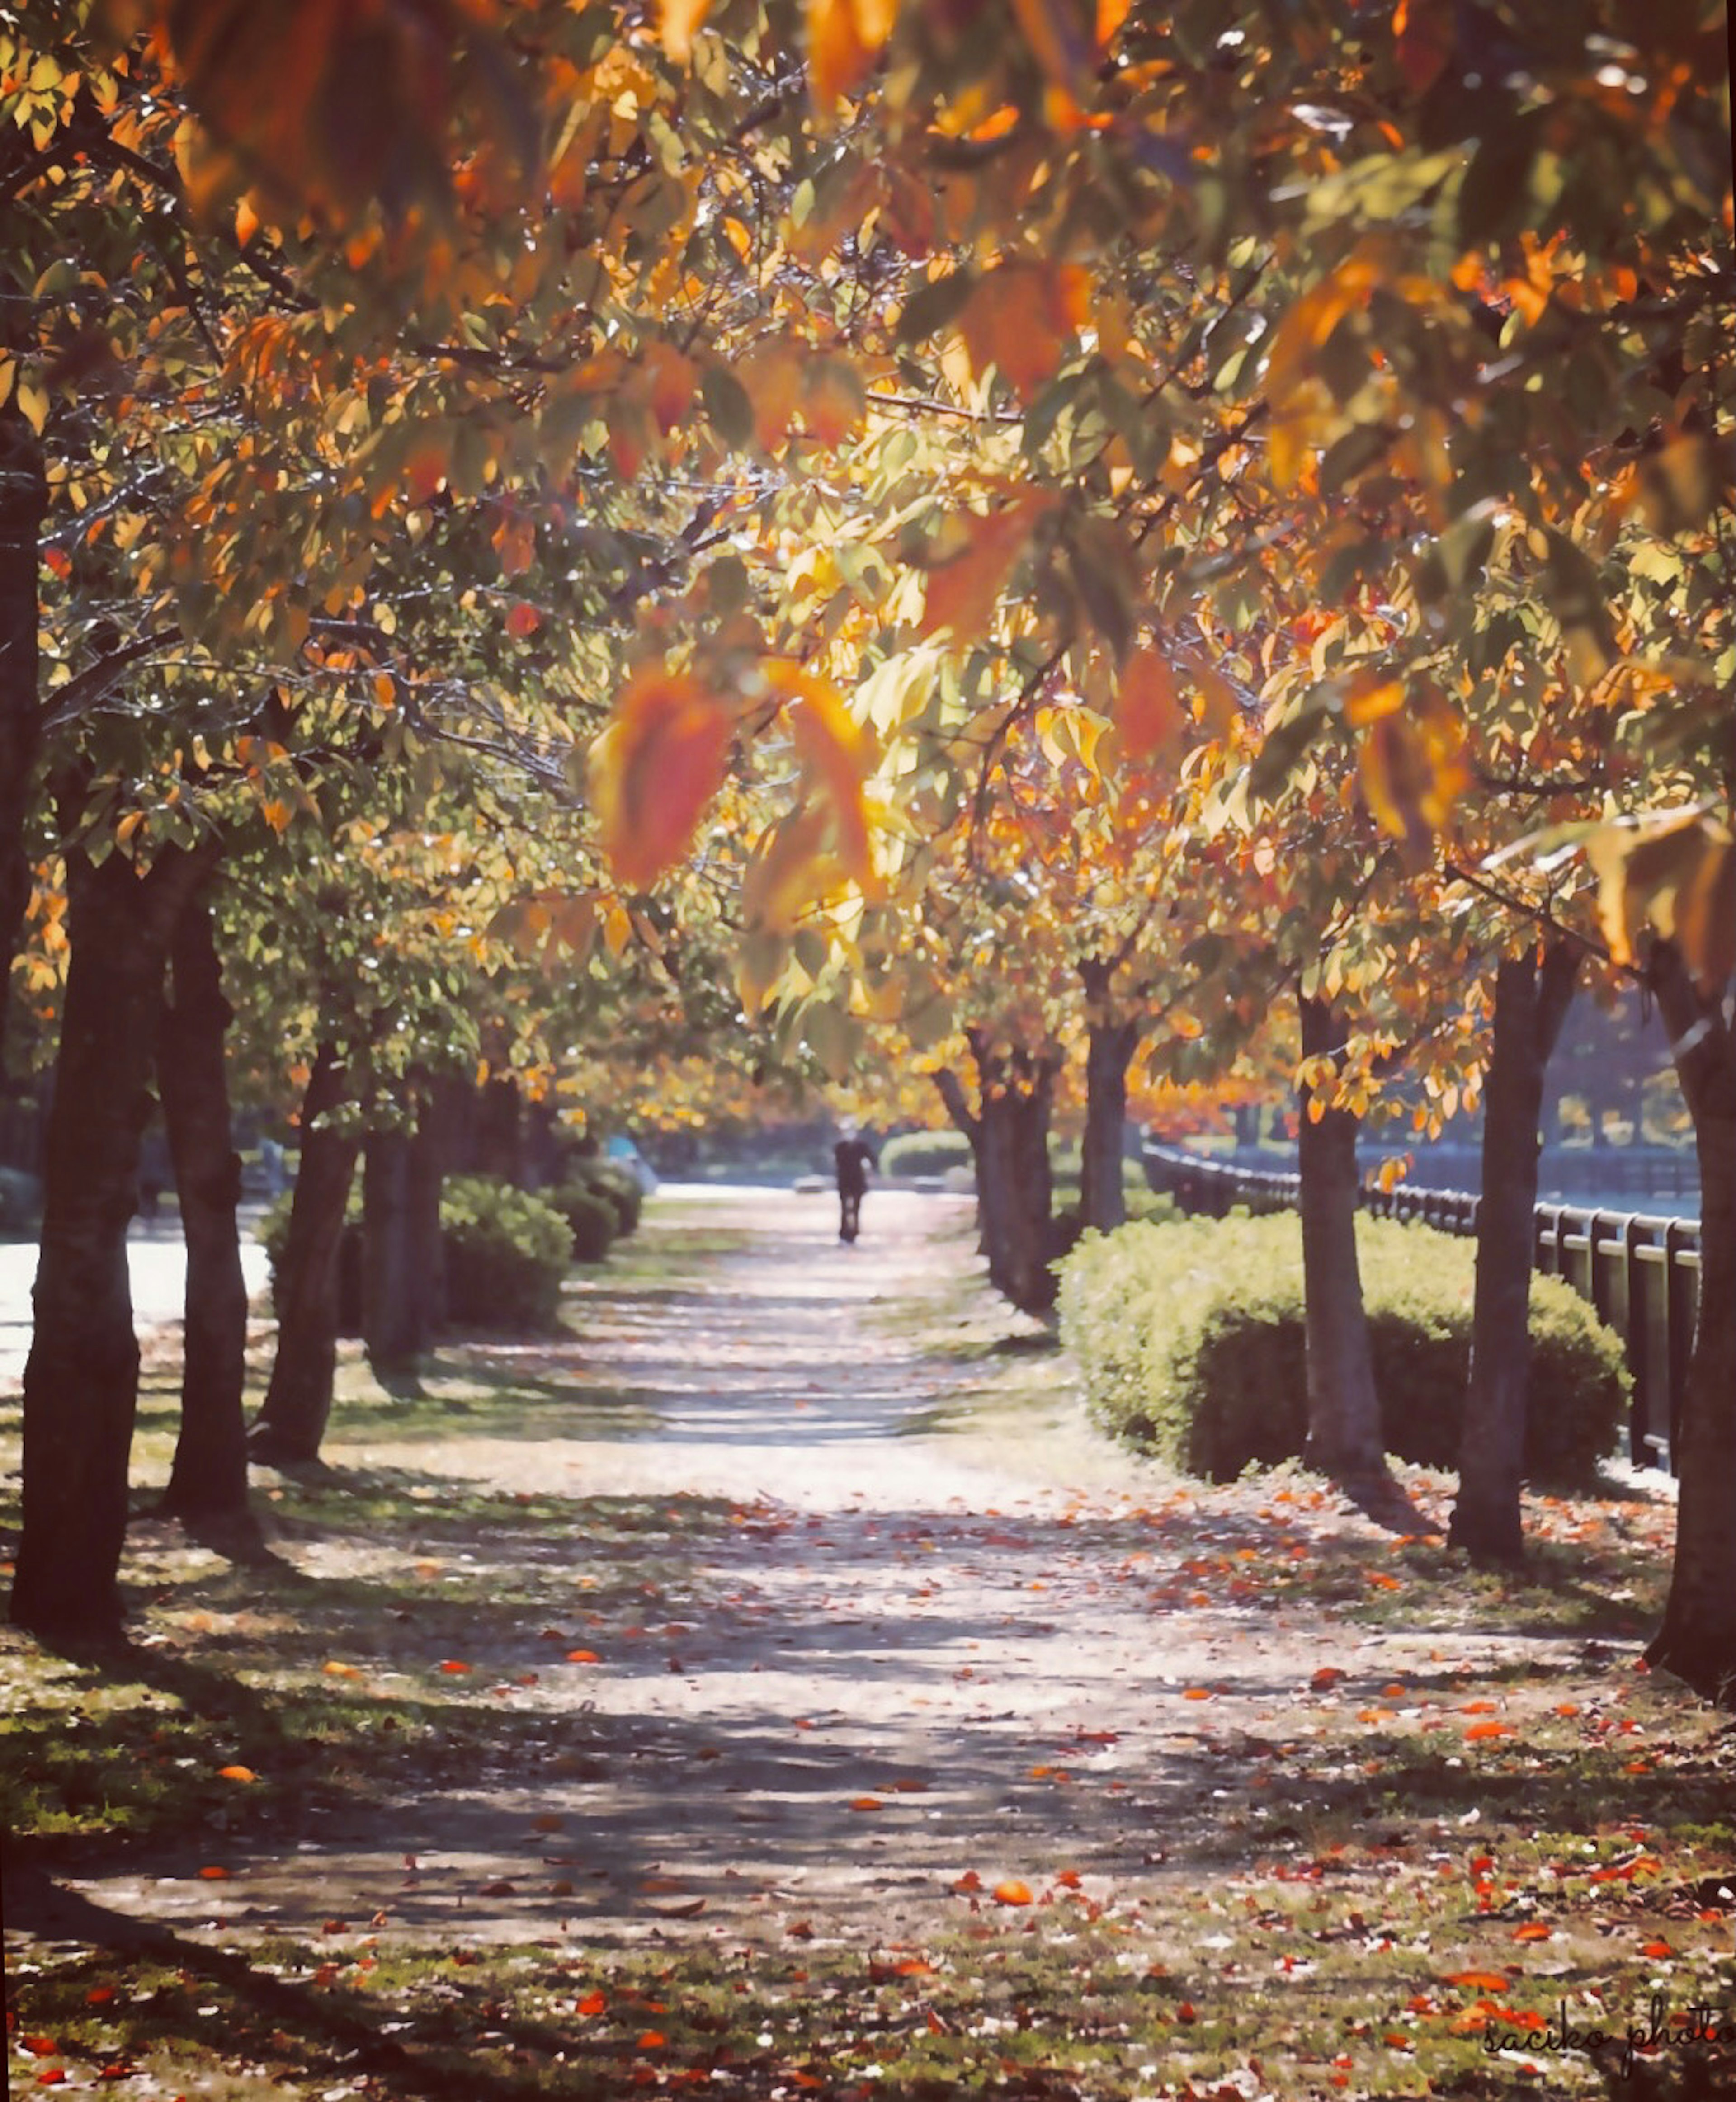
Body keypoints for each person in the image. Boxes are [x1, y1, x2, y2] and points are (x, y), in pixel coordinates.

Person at [833, 1122, 877, 1243]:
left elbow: (872, 1159)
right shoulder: (840, 1147)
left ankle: (854, 1232)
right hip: (844, 1181)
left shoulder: (861, 1146)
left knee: (856, 1208)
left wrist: (872, 1171)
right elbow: (838, 1163)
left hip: (857, 1181)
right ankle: (844, 1233)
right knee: (844, 1208)